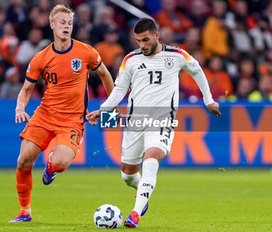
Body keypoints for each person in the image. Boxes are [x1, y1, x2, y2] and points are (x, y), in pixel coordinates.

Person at [86, 18, 221, 228]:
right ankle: (143, 194)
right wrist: (103, 110)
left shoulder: (176, 55)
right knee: (127, 175)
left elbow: (197, 71)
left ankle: (135, 214)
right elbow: (120, 89)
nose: (142, 45)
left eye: (146, 40)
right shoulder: (130, 59)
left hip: (162, 120)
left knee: (151, 160)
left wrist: (208, 100)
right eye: (138, 41)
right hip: (134, 121)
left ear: (157, 36)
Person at [9, 4, 114, 222]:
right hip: (44, 115)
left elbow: (105, 75)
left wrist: (111, 104)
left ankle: (51, 168)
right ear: (52, 25)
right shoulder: (41, 58)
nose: (66, 26)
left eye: (69, 23)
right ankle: (25, 212)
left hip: (72, 120)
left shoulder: (85, 52)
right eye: (62, 23)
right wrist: (20, 108)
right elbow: (26, 90)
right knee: (24, 161)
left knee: (60, 161)